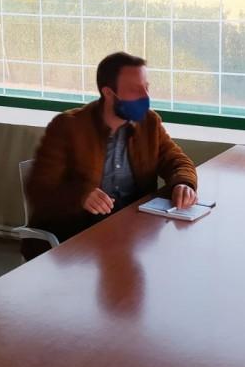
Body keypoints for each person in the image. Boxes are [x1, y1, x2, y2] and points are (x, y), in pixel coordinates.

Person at [22, 51, 198, 260]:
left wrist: (183, 183)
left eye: (146, 87)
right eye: (134, 90)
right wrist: (79, 194)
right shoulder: (68, 127)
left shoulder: (148, 123)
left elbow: (177, 161)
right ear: (108, 93)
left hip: (133, 234)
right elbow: (39, 187)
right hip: (78, 240)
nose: (145, 97)